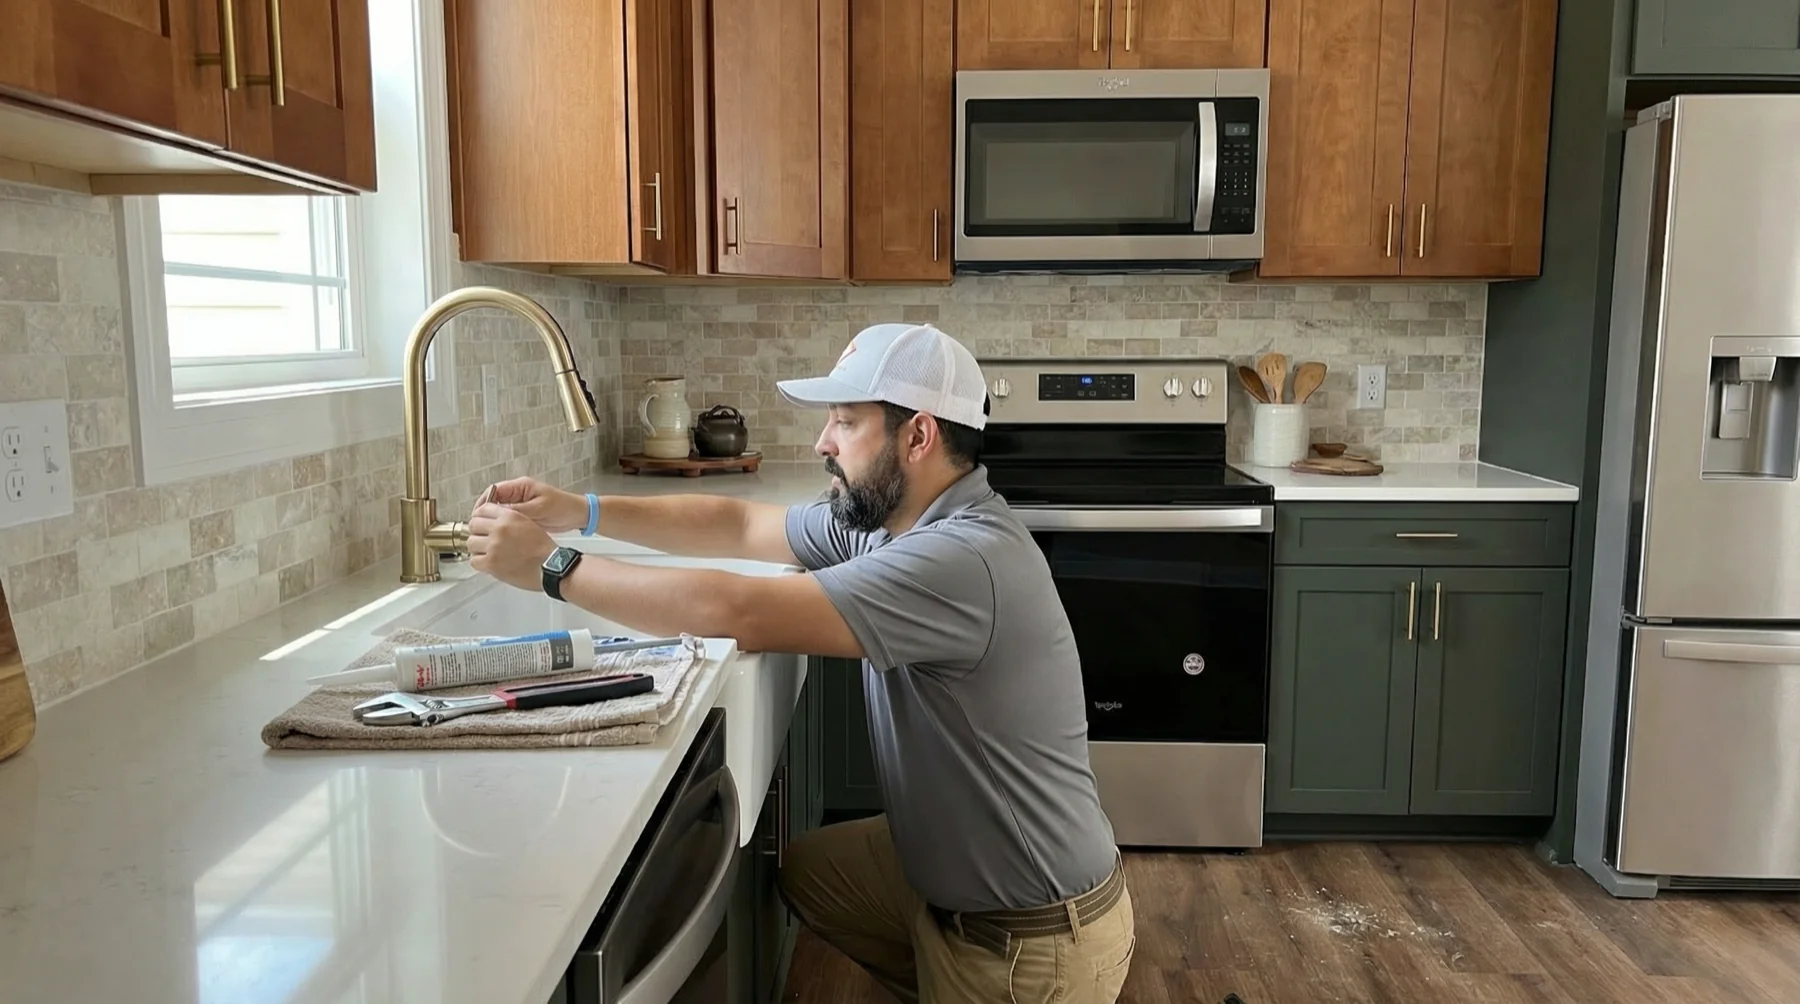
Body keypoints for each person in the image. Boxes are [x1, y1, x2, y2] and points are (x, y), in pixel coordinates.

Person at [465, 322, 1134, 1004]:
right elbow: (738, 526)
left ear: (919, 436)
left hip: (1028, 939)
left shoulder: (961, 558)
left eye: (845, 423)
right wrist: (582, 511)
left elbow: (740, 612)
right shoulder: (891, 522)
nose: (823, 443)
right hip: (961, 877)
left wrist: (553, 569)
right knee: (809, 872)